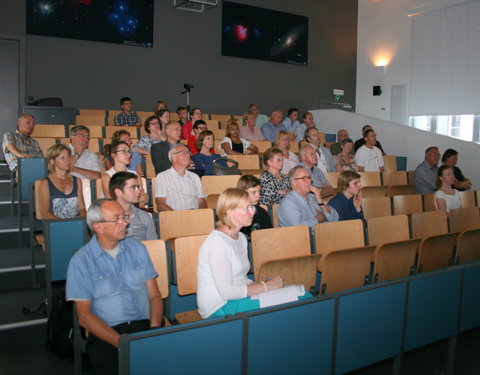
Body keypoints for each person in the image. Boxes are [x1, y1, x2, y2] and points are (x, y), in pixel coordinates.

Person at [66, 199, 164, 375]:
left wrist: (154, 330)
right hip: (107, 332)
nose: (125, 222)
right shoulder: (81, 261)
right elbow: (85, 317)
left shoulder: (138, 249)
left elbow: (154, 295)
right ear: (98, 227)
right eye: (117, 219)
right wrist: (122, 344)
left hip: (145, 326)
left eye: (124, 217)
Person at [197, 188, 285, 319]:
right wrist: (266, 286)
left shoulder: (241, 237)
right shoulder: (218, 242)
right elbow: (227, 292)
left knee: (295, 294)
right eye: (246, 208)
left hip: (235, 299)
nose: (252, 212)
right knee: (291, 299)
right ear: (230, 213)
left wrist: (266, 285)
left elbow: (241, 280)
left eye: (252, 207)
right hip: (218, 306)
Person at [37, 144, 86, 219]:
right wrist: (62, 225)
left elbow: (81, 208)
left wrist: (81, 223)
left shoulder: (77, 180)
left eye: (68, 157)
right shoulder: (45, 182)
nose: (67, 161)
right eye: (62, 158)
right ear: (52, 161)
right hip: (55, 224)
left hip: (75, 223)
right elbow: (45, 212)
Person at [154, 143, 207, 211]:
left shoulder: (195, 177)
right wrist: (178, 216)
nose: (188, 155)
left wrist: (200, 214)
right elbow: (161, 204)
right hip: (175, 218)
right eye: (184, 152)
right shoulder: (163, 177)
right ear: (174, 157)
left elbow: (202, 201)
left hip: (195, 217)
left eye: (188, 152)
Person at [109, 172, 157, 241]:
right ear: (118, 192)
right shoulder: (105, 219)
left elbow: (154, 246)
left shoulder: (144, 217)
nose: (138, 191)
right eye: (133, 188)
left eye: (138, 187)